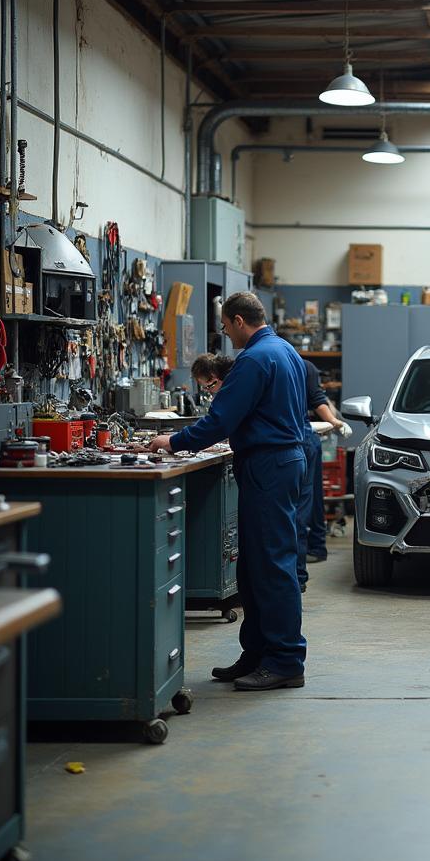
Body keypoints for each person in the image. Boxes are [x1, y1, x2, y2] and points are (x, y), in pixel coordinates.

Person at [149, 292, 310, 692]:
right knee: (253, 567)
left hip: (269, 464)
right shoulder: (284, 350)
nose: (225, 334)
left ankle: (286, 660)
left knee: (272, 566)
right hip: (277, 461)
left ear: (239, 321)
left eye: (224, 326)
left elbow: (221, 419)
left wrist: (173, 441)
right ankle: (257, 654)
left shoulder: (254, 359)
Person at [297, 358, 347, 591]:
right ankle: (316, 547)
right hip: (305, 438)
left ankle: (298, 573)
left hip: (299, 440)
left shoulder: (299, 366)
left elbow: (318, 401)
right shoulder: (303, 365)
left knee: (300, 505)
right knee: (311, 498)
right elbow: (317, 399)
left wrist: (335, 421)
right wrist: (335, 422)